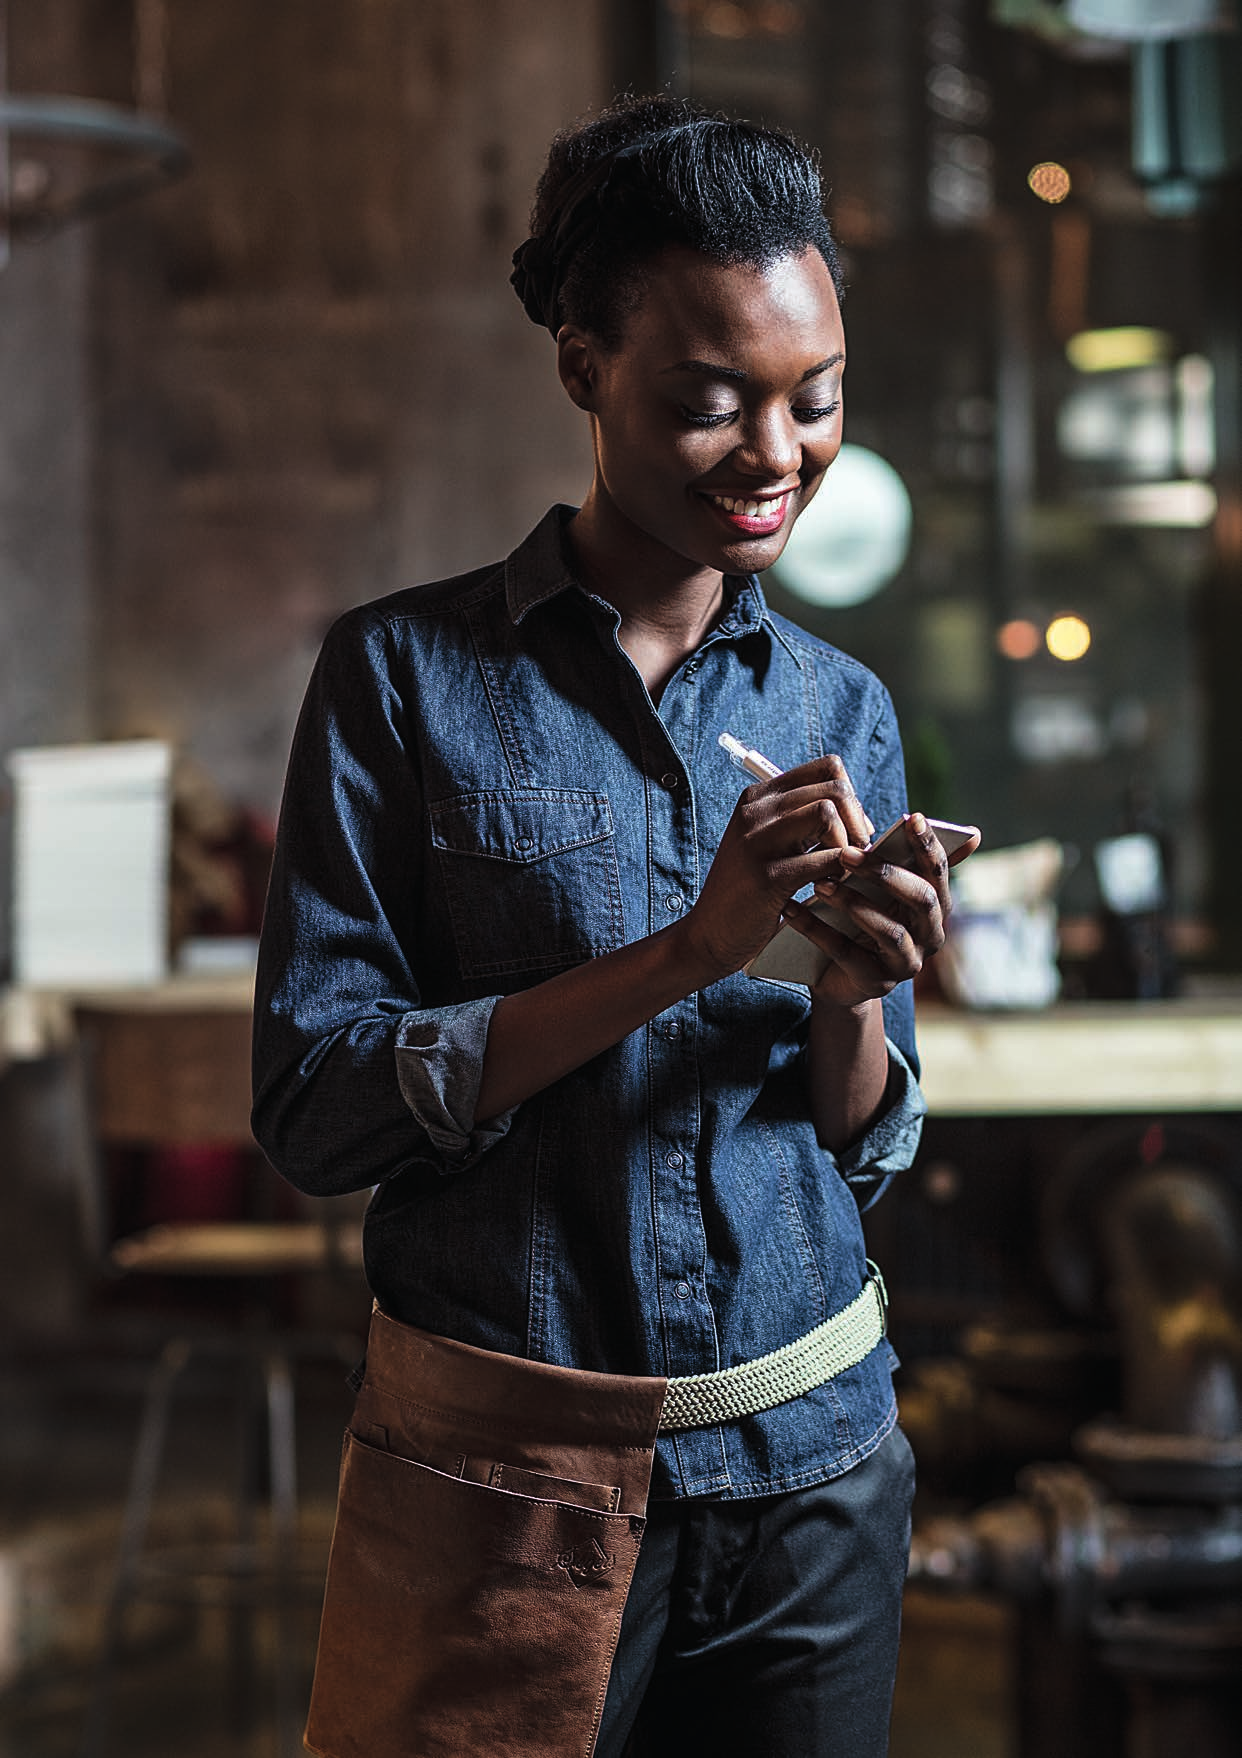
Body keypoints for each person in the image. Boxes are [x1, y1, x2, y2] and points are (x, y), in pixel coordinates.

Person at [252, 92, 975, 1758]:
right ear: (582, 363)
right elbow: (319, 1106)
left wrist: (855, 993)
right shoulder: (401, 679)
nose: (777, 455)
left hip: (813, 1472)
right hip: (499, 1476)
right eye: (712, 402)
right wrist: (688, 951)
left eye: (817, 403)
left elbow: (854, 1149)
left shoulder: (839, 703)